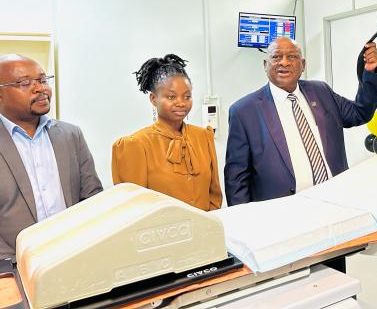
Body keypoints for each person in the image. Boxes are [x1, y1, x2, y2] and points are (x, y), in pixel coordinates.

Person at [224, 37, 377, 205]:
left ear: (303, 64)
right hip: (281, 212)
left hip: (336, 200)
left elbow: (360, 112)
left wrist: (370, 71)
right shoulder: (244, 111)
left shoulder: (321, 91)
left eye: (292, 57)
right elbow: (236, 178)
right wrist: (243, 220)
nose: (284, 63)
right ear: (265, 64)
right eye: (276, 57)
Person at [0, 54, 102, 261]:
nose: (40, 89)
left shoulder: (71, 135)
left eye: (43, 80)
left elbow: (93, 199)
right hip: (12, 268)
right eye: (25, 83)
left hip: (74, 258)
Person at [112, 54, 222, 211]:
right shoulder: (134, 145)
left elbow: (214, 195)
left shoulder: (203, 137)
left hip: (203, 230)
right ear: (153, 98)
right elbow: (133, 209)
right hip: (158, 233)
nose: (181, 103)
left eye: (187, 96)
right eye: (171, 97)